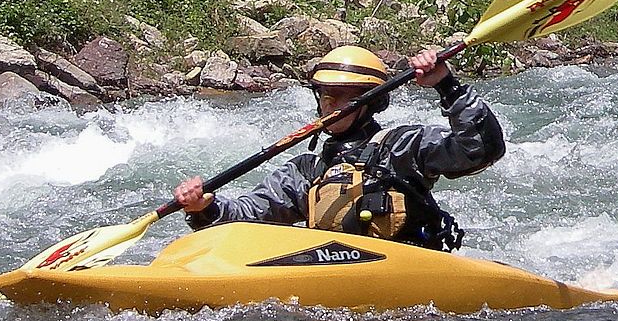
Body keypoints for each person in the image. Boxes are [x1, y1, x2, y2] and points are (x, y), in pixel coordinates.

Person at [173, 45, 505, 252]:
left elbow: (480, 148)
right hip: (336, 274)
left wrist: (447, 86)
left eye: (342, 94)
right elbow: (248, 217)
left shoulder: (401, 147)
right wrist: (204, 208)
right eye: (324, 93)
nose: (330, 102)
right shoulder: (308, 169)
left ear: (370, 102)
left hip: (407, 269)